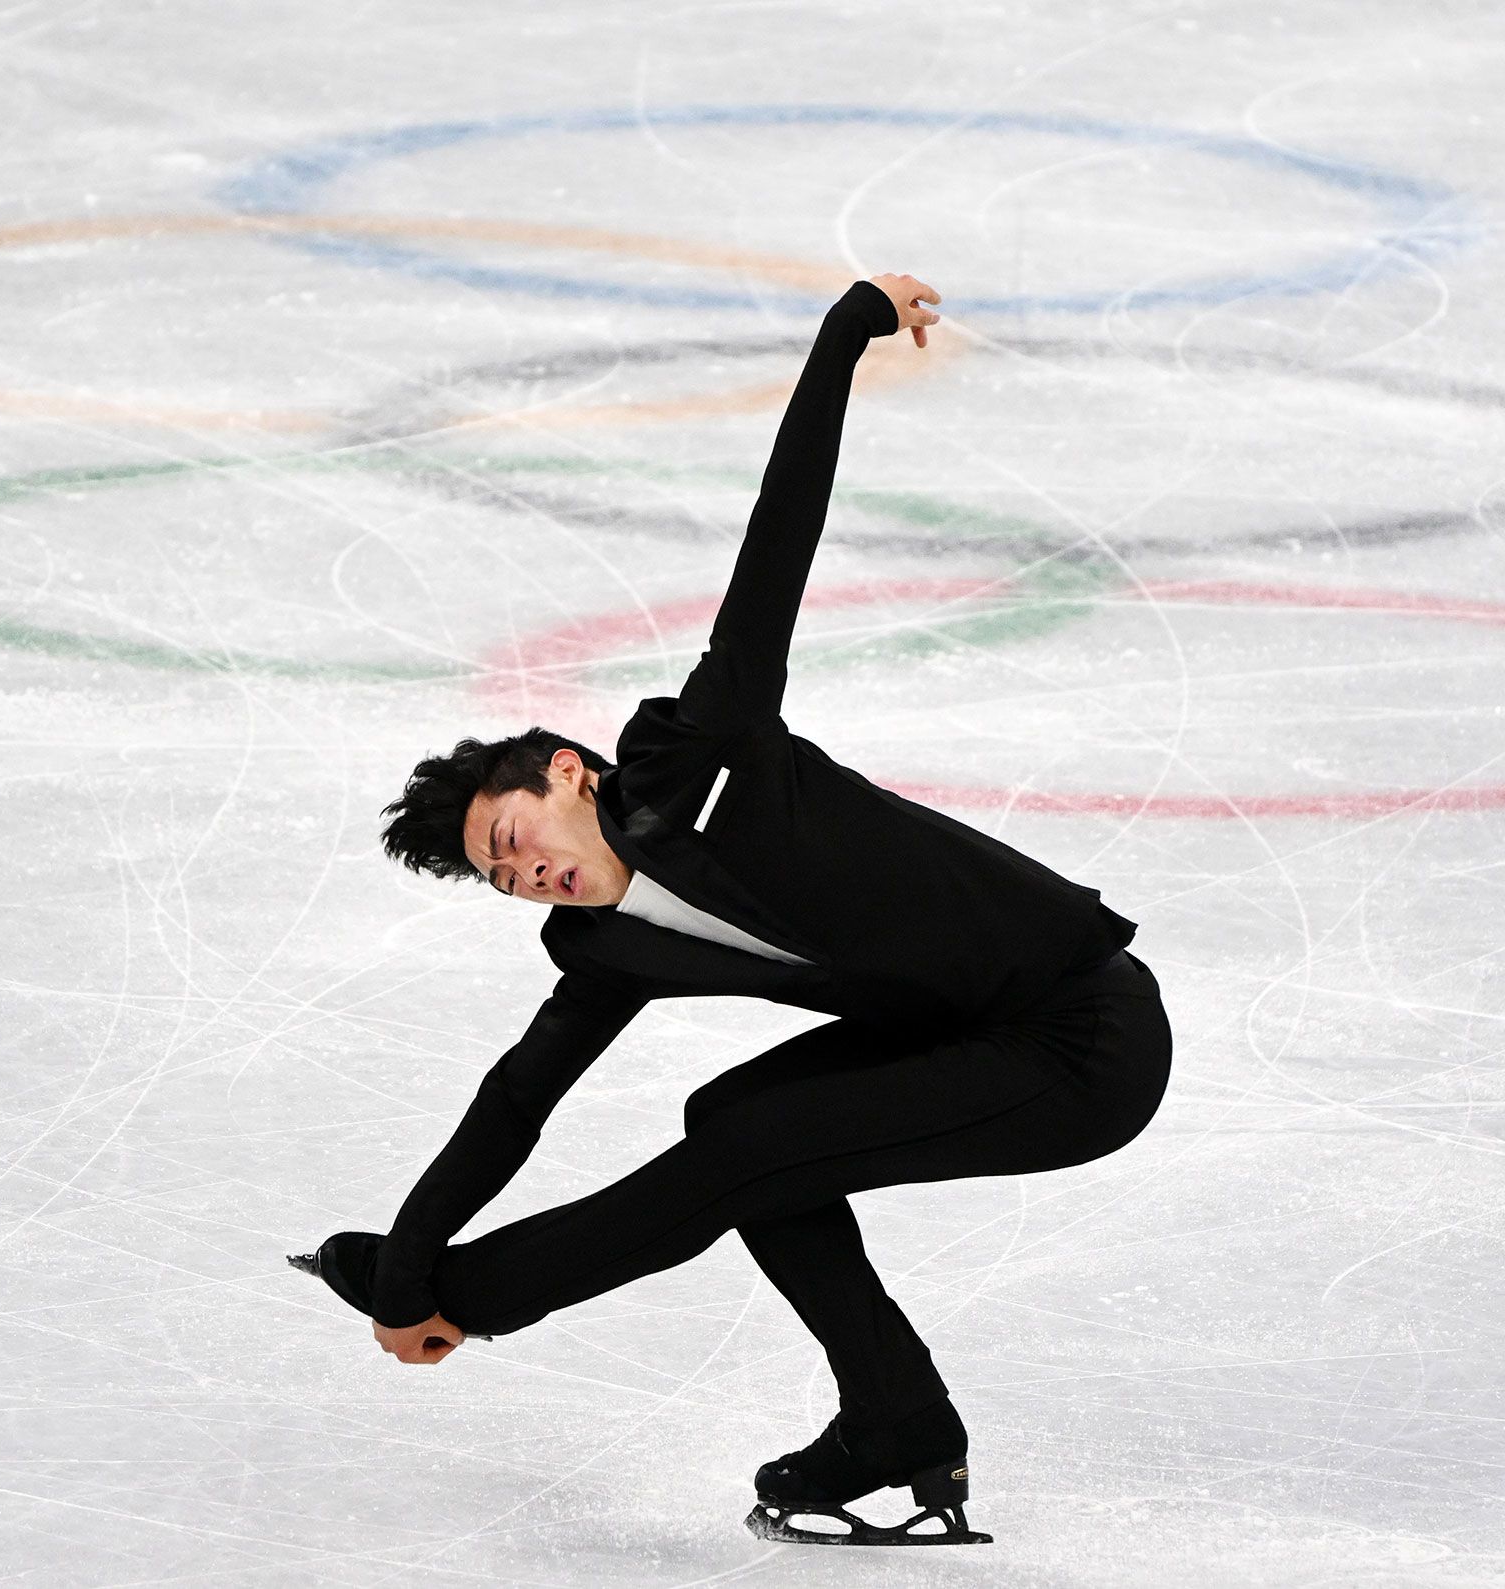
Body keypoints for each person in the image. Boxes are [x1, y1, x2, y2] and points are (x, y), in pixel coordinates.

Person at [293, 272, 1172, 1547]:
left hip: (1081, 1034)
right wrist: (410, 1258)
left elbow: (780, 534)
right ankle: (898, 1421)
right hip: (959, 1033)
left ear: (563, 772)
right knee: (739, 1120)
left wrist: (845, 331)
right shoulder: (600, 942)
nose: (523, 871)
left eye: (509, 836)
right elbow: (517, 1093)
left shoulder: (709, 747)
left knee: (750, 1150)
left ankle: (498, 1299)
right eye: (499, 878)